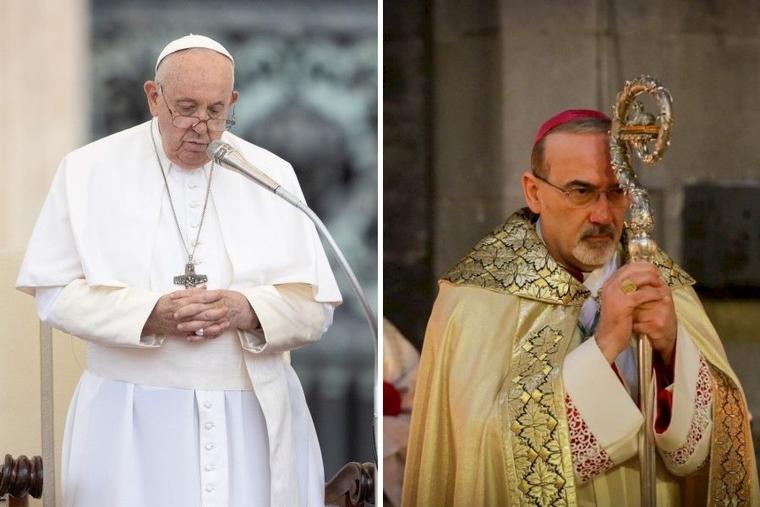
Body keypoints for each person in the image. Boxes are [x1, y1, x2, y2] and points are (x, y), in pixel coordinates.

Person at [16, 34, 341, 507]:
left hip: (251, 416)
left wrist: (246, 309)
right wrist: (150, 314)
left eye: (216, 111)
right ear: (153, 97)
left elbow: (317, 311)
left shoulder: (272, 175)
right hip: (129, 423)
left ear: (233, 102)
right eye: (186, 108)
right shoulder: (87, 171)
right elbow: (54, 294)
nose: (203, 128)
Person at [401, 109, 760, 506]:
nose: (603, 215)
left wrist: (672, 351)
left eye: (617, 191)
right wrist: (605, 344)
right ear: (533, 193)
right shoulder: (475, 298)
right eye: (581, 191)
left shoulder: (663, 287)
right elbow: (483, 457)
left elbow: (721, 441)